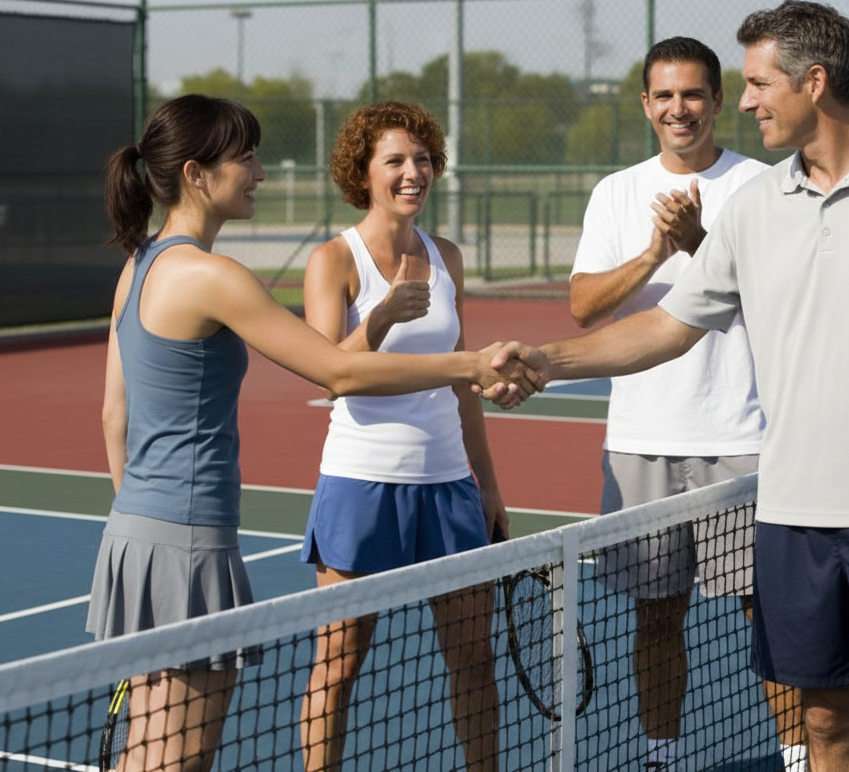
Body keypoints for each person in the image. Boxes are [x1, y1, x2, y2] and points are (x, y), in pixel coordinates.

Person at [492, 0, 849, 772]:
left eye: (755, 84)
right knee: (824, 726)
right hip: (791, 516)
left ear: (813, 83)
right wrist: (546, 360)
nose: (741, 103)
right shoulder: (752, 208)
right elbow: (665, 328)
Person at [89, 94, 534, 772]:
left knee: (153, 751)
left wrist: (143, 526)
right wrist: (469, 363)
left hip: (137, 536)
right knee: (178, 758)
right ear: (195, 174)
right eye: (245, 157)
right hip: (185, 539)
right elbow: (335, 370)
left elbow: (112, 416)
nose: (260, 172)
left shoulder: (137, 265)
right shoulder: (214, 276)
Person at [569, 36, 805, 772]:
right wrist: (654, 251)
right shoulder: (614, 192)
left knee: (770, 617)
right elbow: (582, 307)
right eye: (664, 96)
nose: (680, 109)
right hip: (641, 443)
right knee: (656, 617)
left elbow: (783, 304)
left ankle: (799, 758)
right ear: (646, 105)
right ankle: (661, 758)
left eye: (693, 94)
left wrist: (699, 240)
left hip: (743, 440)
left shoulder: (765, 187)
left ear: (716, 99)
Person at [297, 101, 506, 772]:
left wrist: (489, 485)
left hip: (449, 488)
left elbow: (462, 380)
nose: (412, 172)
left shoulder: (447, 257)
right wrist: (382, 316)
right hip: (361, 484)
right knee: (338, 663)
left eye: (421, 160)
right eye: (394, 161)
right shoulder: (334, 260)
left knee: (475, 660)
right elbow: (334, 376)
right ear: (363, 172)